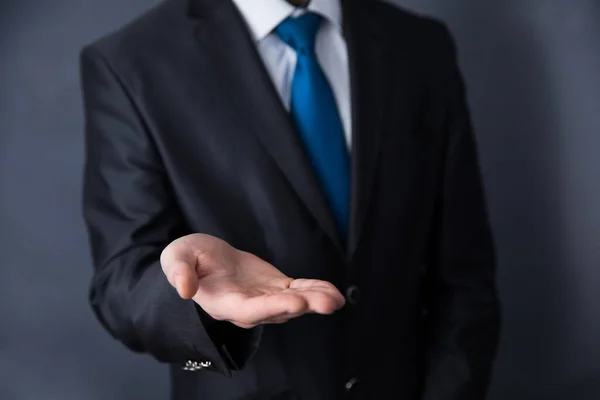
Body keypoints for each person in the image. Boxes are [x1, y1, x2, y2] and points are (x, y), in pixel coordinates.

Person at [80, 0, 501, 398]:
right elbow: (120, 281)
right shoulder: (130, 61)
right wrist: (193, 297)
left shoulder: (420, 45)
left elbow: (465, 271)